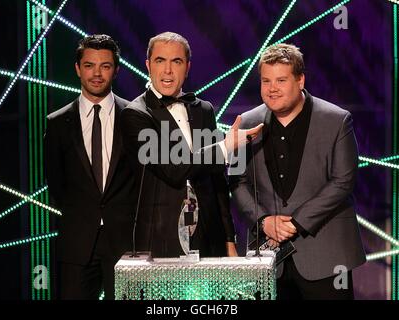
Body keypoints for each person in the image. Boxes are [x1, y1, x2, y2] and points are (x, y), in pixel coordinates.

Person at [230, 43, 366, 300]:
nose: (272, 89)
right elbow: (237, 181)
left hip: (326, 255)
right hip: (267, 256)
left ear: (300, 79)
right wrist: (262, 221)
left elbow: (343, 181)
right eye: (266, 80)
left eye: (281, 80)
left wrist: (295, 223)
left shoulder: (337, 120)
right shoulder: (246, 123)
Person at [121, 31, 262, 258]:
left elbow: (217, 180)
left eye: (176, 62)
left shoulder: (203, 109)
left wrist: (228, 238)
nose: (167, 70)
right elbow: (173, 169)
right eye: (160, 61)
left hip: (210, 235)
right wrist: (225, 147)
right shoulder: (135, 114)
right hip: (161, 238)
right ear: (148, 65)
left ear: (187, 67)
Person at [44, 34, 134, 299]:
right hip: (77, 242)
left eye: (105, 66)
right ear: (77, 68)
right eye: (89, 65)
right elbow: (56, 183)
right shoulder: (58, 123)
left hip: (126, 243)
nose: (97, 73)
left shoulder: (134, 117)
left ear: (116, 71)